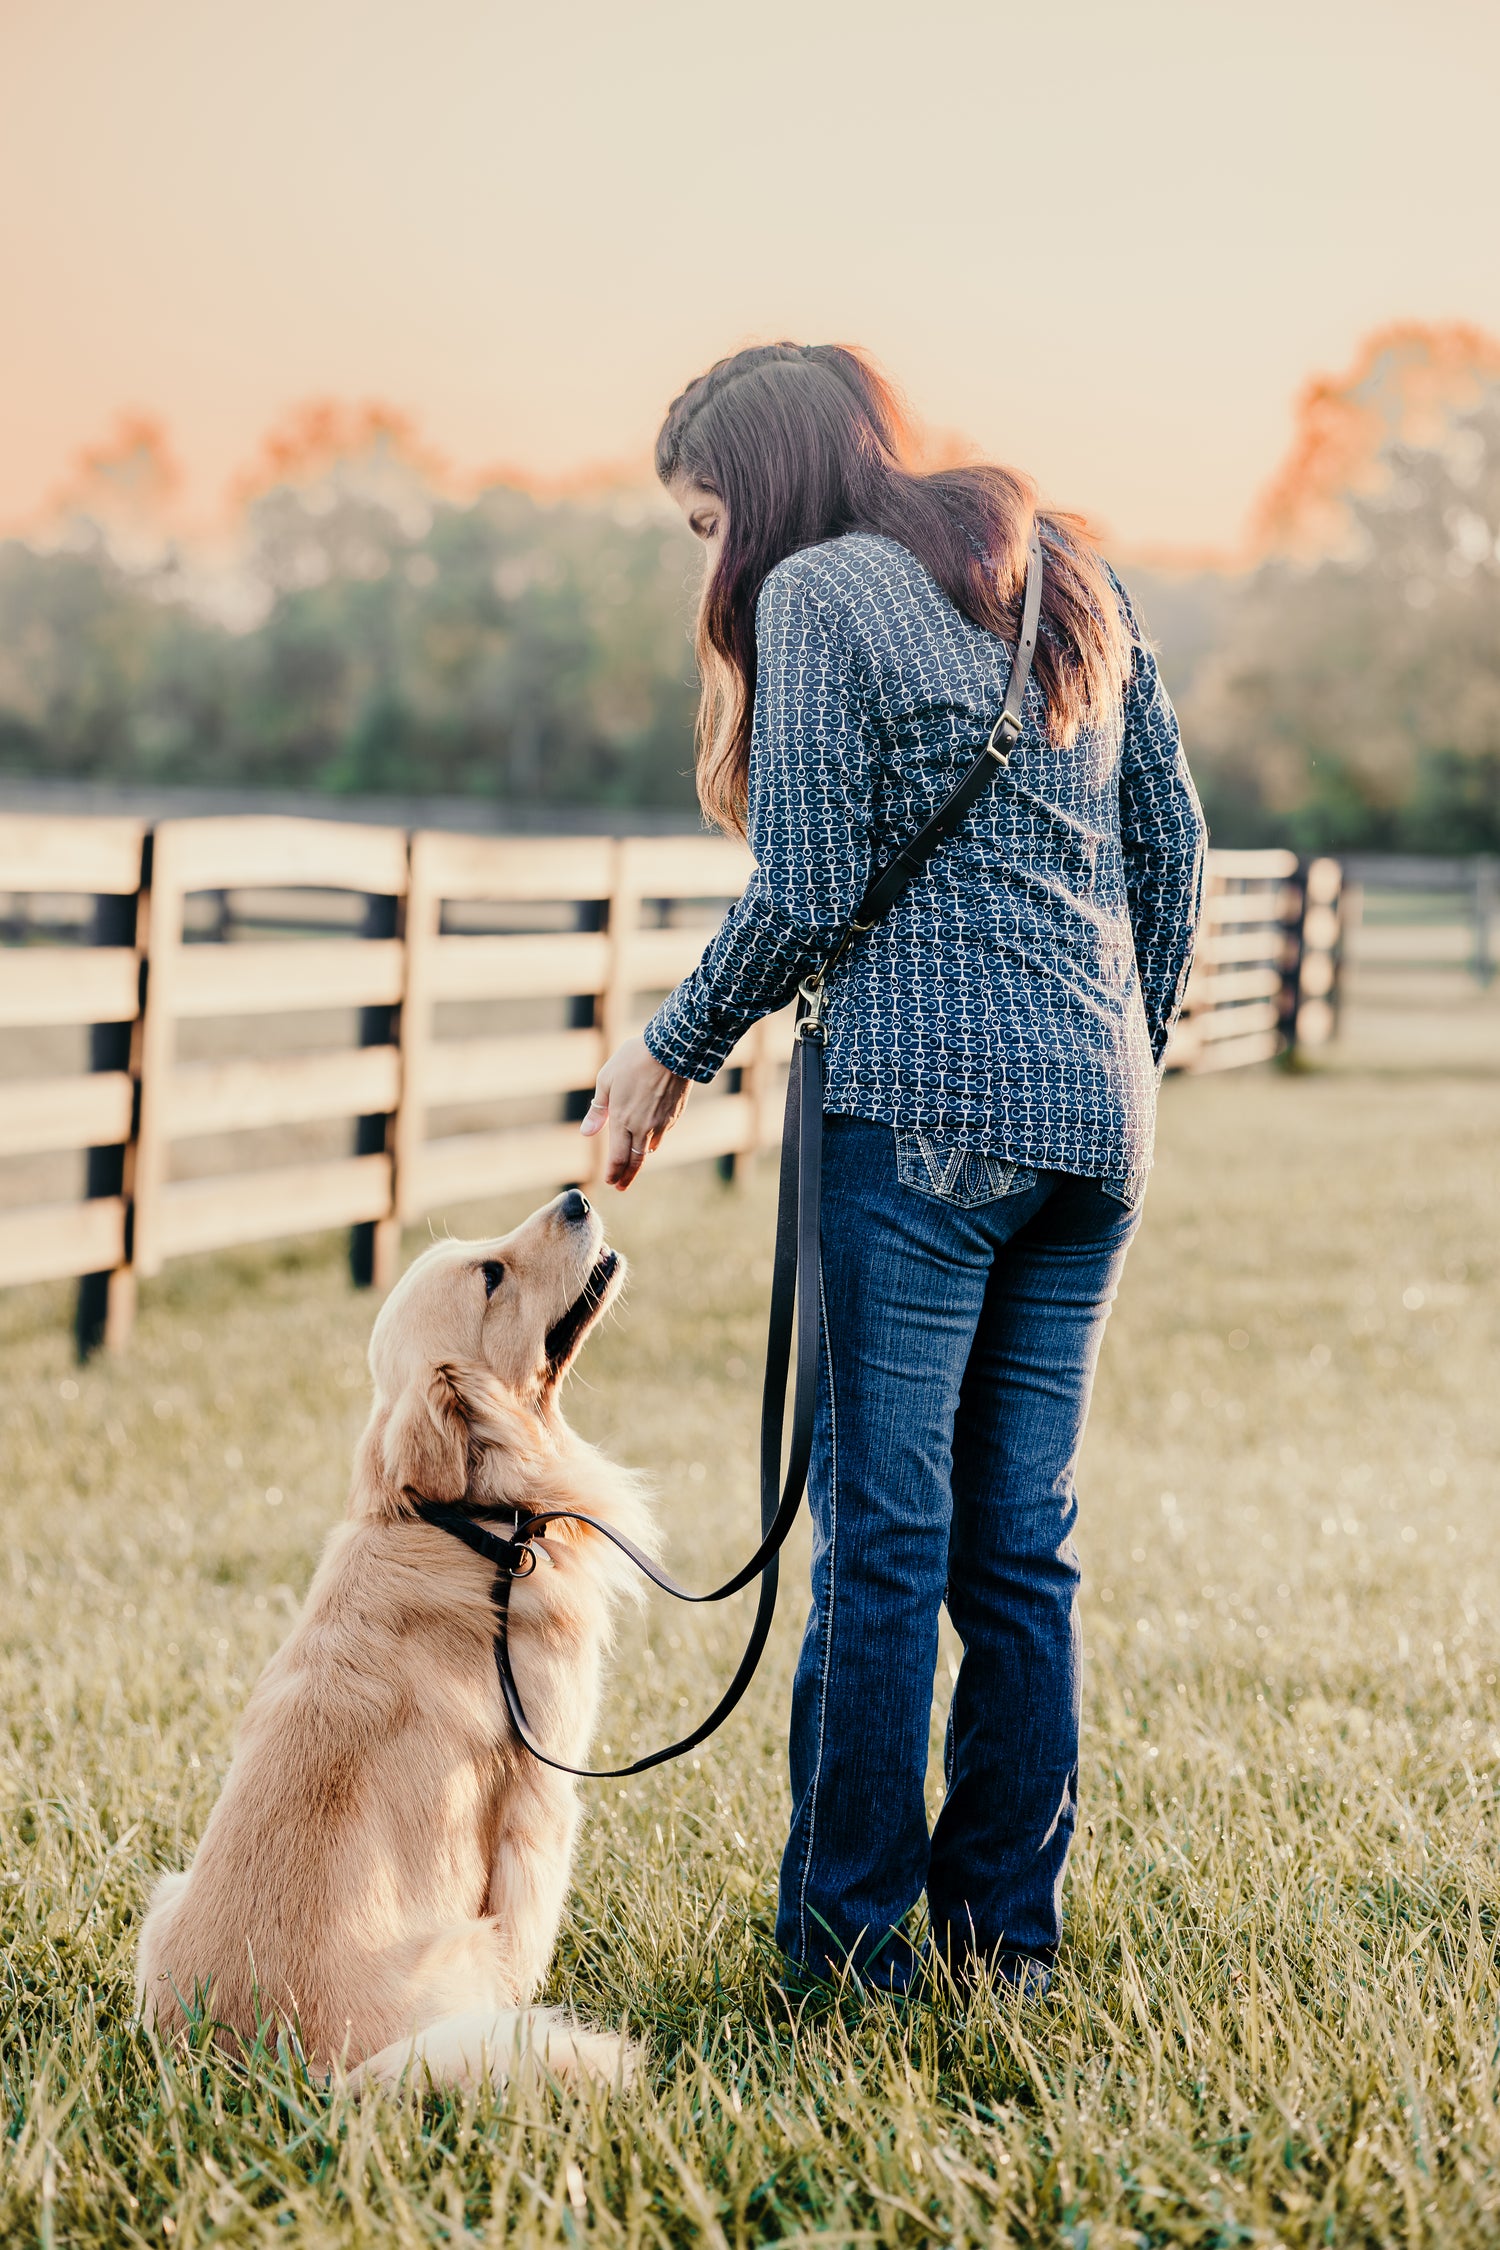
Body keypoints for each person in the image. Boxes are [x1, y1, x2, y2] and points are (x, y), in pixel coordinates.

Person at [580, 343, 1205, 1996]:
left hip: (915, 1126)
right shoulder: (1073, 570)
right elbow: (1176, 849)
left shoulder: (818, 598)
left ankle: (849, 1951)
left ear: (766, 488)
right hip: (1098, 1138)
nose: (711, 560)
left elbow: (801, 890)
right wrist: (1103, 1058)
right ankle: (1006, 1946)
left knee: (884, 1545)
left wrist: (668, 1047)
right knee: (1022, 1550)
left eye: (709, 517)